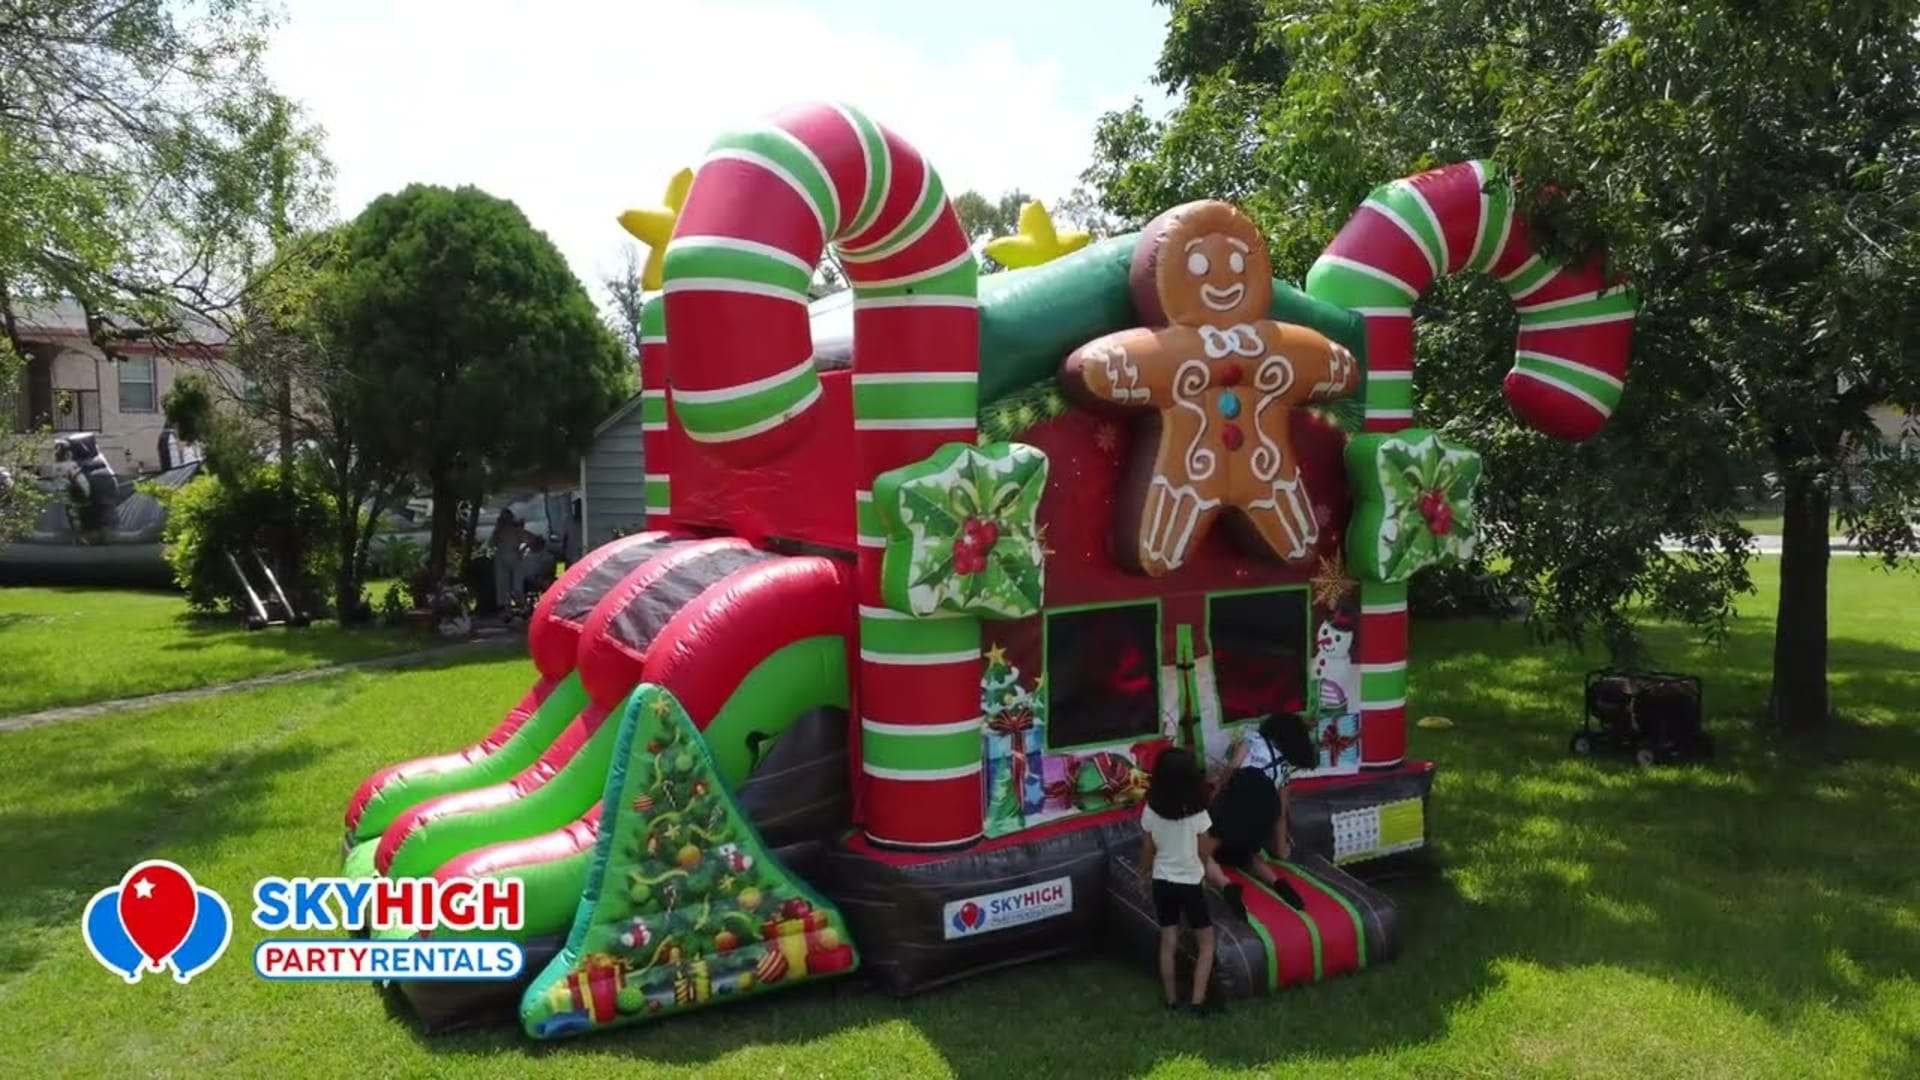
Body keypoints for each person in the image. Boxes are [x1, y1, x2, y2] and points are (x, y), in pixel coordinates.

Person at [1201, 712, 1319, 916]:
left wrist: (1217, 790)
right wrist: (1281, 848)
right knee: (1247, 855)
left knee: (1201, 849)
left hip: (1241, 795)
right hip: (1266, 808)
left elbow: (1233, 766)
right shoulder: (1283, 768)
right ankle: (1277, 882)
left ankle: (1227, 885)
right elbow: (1280, 813)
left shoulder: (1253, 739)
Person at [1138, 746, 1220, 1014]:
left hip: (1163, 881)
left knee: (1168, 941)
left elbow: (1148, 849)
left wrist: (1143, 876)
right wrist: (1205, 870)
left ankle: (1171, 1000)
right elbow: (1204, 851)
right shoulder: (1198, 814)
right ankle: (1197, 1002)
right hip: (1190, 883)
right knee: (1206, 943)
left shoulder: (1152, 809)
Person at [489, 508, 527, 617]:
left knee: (506, 585)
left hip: (504, 556)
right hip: (510, 556)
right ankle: (516, 609)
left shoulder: (501, 530)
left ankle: (511, 610)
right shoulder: (514, 530)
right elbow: (527, 540)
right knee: (512, 584)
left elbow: (492, 543)